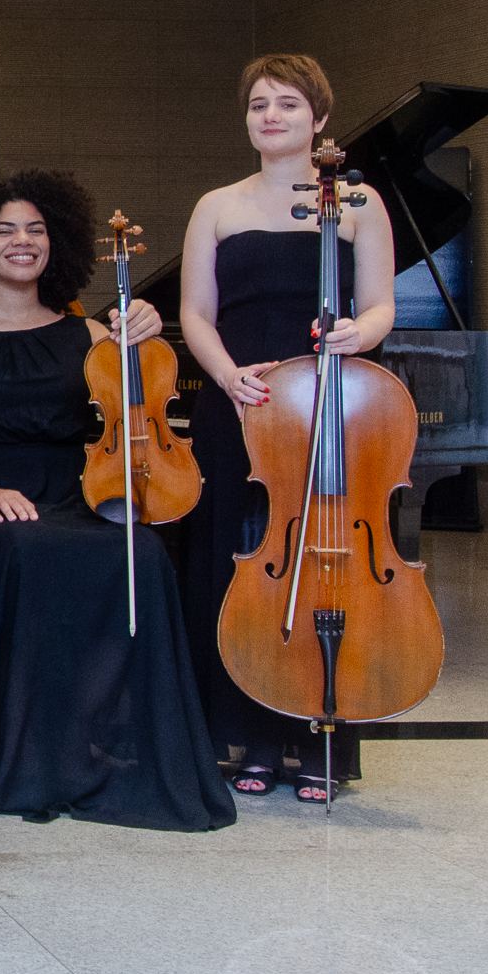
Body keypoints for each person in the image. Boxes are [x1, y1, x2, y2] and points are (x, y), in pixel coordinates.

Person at [0, 169, 234, 831]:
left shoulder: (88, 335)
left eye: (36, 230)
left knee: (142, 553)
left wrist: (142, 333)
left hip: (74, 492)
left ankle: (120, 747)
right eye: (5, 230)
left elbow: (130, 414)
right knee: (24, 551)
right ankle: (30, 756)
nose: (23, 241)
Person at [178, 54, 394, 804]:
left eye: (288, 104)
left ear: (320, 119)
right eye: (258, 105)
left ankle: (321, 729)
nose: (270, 116)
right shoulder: (217, 206)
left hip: (329, 406)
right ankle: (253, 737)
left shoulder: (358, 203)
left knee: (328, 563)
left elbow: (379, 305)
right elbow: (194, 314)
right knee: (239, 563)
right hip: (241, 403)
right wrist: (226, 375)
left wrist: (358, 334)